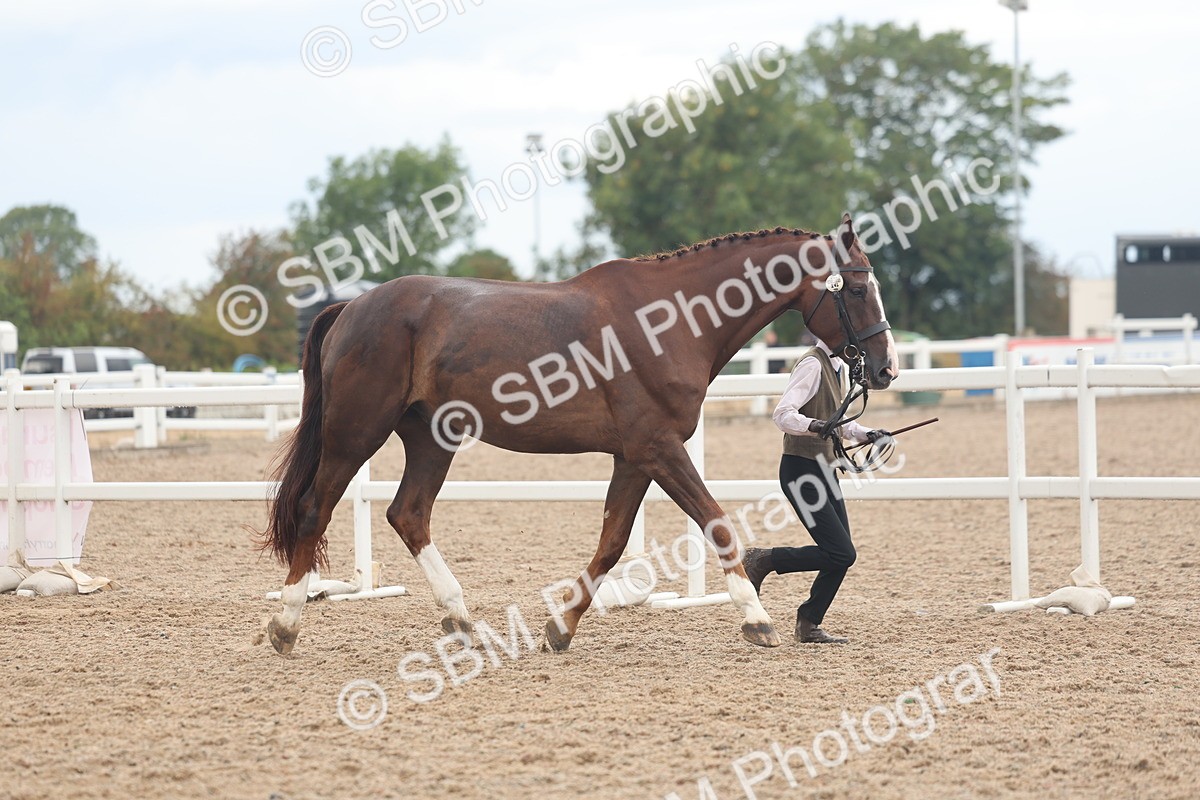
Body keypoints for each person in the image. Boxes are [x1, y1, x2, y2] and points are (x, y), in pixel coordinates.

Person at [742, 336, 890, 644]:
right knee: (841, 552)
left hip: (824, 470)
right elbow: (782, 414)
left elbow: (839, 423)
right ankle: (764, 560)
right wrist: (812, 425)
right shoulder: (812, 364)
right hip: (801, 470)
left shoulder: (837, 366)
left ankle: (809, 623)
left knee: (841, 555)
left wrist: (867, 433)